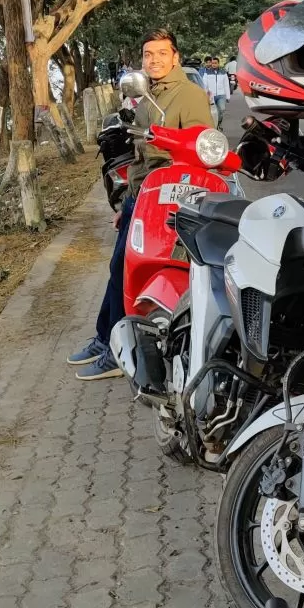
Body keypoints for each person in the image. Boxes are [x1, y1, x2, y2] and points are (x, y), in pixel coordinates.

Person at [67, 29, 213, 380]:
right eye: (149, 55)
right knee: (117, 268)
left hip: (169, 198)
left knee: (127, 270)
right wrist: (126, 203)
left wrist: (165, 140)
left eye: (162, 54)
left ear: (175, 57)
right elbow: (137, 156)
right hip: (141, 197)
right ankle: (106, 338)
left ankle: (124, 352)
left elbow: (202, 146)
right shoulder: (146, 97)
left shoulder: (189, 95)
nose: (155, 60)